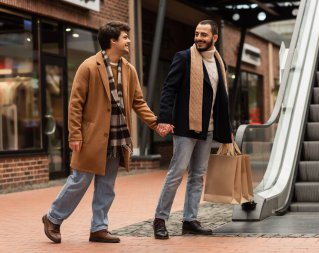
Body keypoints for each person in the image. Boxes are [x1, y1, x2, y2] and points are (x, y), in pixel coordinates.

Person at [42, 21, 164, 244]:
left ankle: (99, 227)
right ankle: (52, 218)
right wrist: (75, 134)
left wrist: (155, 124)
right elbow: (75, 103)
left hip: (117, 137)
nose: (128, 41)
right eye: (125, 37)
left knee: (107, 185)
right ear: (113, 41)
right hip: (92, 137)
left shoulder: (129, 69)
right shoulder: (88, 66)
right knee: (80, 180)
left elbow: (138, 102)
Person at [153, 20, 232, 240]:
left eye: (204, 35)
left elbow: (222, 99)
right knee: (176, 173)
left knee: (197, 176)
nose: (199, 38)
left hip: (208, 129)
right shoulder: (184, 57)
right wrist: (165, 118)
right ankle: (160, 219)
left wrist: (228, 127)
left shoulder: (219, 62)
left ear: (214, 37)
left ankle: (190, 220)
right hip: (186, 127)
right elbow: (169, 89)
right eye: (197, 34)